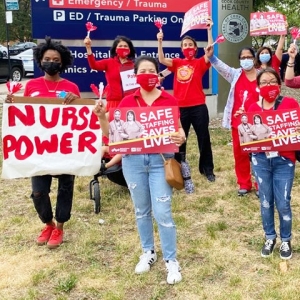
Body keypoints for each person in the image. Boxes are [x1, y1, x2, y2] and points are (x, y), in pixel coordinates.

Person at [93, 55, 186, 285]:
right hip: (133, 162)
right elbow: (113, 135)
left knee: (163, 212)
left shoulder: (169, 100)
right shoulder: (126, 102)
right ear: (135, 76)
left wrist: (181, 136)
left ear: (157, 75)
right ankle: (148, 252)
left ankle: (171, 260)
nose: (147, 75)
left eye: (151, 71)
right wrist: (102, 116)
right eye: (142, 71)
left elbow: (179, 131)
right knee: (141, 210)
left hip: (160, 161)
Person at [5, 37, 81, 249]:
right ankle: (47, 224)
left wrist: (76, 101)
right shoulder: (32, 86)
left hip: (65, 147)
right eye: (47, 58)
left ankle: (60, 227)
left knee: (65, 188)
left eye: (55, 59)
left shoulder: (71, 87)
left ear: (62, 62)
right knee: (39, 191)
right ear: (40, 60)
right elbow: (24, 115)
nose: (51, 62)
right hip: (39, 149)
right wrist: (12, 104)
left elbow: (79, 116)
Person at [247, 68, 299, 259]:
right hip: (260, 160)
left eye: (272, 81)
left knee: (283, 202)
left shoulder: (290, 104)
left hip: (284, 161)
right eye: (263, 83)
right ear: (258, 87)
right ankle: (270, 236)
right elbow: (248, 138)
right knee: (266, 201)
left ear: (279, 84)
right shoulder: (252, 109)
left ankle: (286, 240)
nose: (268, 86)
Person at [157, 16, 215, 182]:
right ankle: (179, 170)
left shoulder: (200, 63)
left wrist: (209, 30)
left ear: (195, 48)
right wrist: (160, 42)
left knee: (203, 138)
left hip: (198, 107)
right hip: (180, 108)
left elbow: (210, 52)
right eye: (185, 45)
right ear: (181, 48)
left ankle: (207, 169)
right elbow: (161, 59)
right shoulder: (176, 63)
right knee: (180, 140)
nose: (188, 47)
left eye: (190, 45)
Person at [204, 45, 260, 196]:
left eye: (249, 57)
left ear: (254, 58)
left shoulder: (263, 76)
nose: (246, 60)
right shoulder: (235, 74)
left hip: (258, 123)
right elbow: (222, 67)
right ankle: (244, 183)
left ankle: (260, 184)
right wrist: (211, 57)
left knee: (260, 154)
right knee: (240, 154)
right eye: (243, 58)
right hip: (239, 123)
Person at [83, 35, 137, 110]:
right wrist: (88, 48)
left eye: (125, 46)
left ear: (129, 49)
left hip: (130, 102)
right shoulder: (109, 62)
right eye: (120, 46)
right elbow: (94, 65)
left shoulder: (134, 66)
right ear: (115, 49)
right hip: (113, 103)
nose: (123, 48)